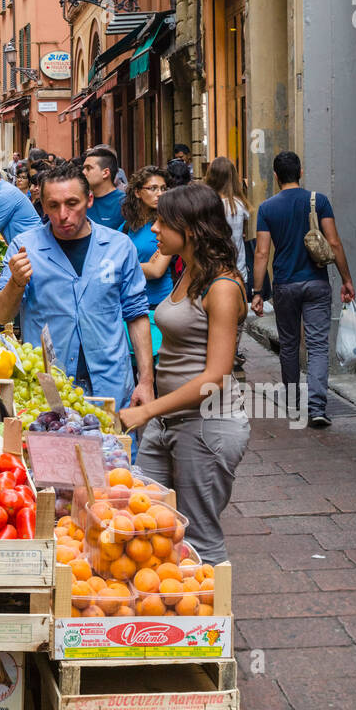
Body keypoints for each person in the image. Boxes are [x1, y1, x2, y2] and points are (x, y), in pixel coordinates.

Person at [118, 182, 250, 563]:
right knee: (149, 521)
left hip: (208, 426)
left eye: (162, 221)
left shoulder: (222, 286)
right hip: (167, 420)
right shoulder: (189, 271)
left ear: (189, 229)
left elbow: (216, 376)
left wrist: (147, 412)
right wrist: (149, 391)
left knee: (200, 540)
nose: (154, 229)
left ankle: (210, 621)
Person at [0, 163, 153, 409]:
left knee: (114, 446)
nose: (62, 214)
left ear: (89, 200)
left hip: (111, 385)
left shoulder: (118, 247)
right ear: (43, 205)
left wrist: (146, 380)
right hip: (48, 389)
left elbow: (136, 314)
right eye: (53, 206)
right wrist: (16, 282)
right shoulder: (24, 248)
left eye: (72, 203)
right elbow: (2, 314)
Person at [252, 151, 355, 428]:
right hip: (317, 282)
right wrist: (346, 278)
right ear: (300, 172)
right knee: (318, 345)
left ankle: (292, 403)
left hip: (285, 284)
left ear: (275, 177)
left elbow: (262, 253)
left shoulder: (267, 208)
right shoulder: (318, 201)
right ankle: (318, 407)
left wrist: (258, 291)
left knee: (289, 344)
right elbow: (333, 243)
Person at [122, 166, 174, 306]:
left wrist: (121, 267)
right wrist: (146, 266)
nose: (160, 194)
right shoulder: (127, 226)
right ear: (138, 192)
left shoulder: (168, 224)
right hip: (130, 300)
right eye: (153, 188)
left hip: (158, 303)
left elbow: (156, 271)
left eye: (163, 188)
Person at [205, 156, 249, 282]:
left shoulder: (206, 206)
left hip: (213, 271)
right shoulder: (240, 205)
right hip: (238, 269)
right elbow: (244, 233)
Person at [83, 146, 126, 231]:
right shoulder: (82, 201)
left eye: (88, 168)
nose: (83, 172)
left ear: (105, 173)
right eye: (83, 168)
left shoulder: (124, 203)